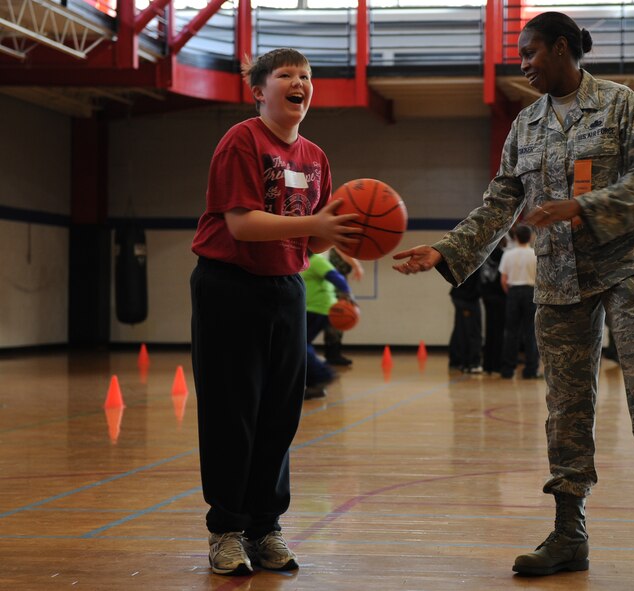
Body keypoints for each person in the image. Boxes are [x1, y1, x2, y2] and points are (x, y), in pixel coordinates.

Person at [393, 12, 634, 574]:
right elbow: (500, 202)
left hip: (628, 264)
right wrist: (448, 250)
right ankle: (569, 532)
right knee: (566, 402)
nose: (523, 64)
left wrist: (582, 207)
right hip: (561, 275)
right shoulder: (526, 125)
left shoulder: (618, 104)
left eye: (530, 52)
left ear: (562, 48)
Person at [189, 48, 360, 576]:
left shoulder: (316, 158)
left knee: (280, 417)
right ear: (258, 91)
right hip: (229, 286)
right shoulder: (242, 140)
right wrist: (315, 231)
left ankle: (266, 526)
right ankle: (226, 530)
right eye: (285, 75)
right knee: (231, 412)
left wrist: (340, 246)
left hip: (285, 288)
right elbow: (242, 224)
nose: (299, 82)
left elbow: (307, 244)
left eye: (306, 76)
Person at [302, 252, 355, 398]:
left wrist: (347, 294)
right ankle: (315, 381)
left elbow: (336, 276)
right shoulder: (304, 262)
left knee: (299, 344)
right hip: (312, 308)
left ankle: (322, 376)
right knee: (301, 345)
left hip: (319, 309)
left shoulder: (316, 260)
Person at [499, 224, 539, 379]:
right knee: (530, 332)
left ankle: (508, 369)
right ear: (531, 237)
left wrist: (512, 293)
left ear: (515, 237)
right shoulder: (535, 254)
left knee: (511, 332)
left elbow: (503, 280)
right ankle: (531, 370)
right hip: (531, 292)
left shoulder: (508, 254)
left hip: (514, 292)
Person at [322, 248, 363, 366]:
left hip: (338, 288)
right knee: (333, 323)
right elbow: (338, 248)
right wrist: (357, 266)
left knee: (337, 323)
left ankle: (334, 353)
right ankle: (331, 354)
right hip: (329, 290)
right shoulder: (332, 249)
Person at [480, 238, 508, 375]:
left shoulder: (484, 255)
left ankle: (487, 365)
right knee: (499, 331)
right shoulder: (503, 255)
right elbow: (504, 277)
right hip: (500, 296)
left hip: (486, 296)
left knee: (489, 330)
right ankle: (497, 365)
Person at [448, 268, 483, 374]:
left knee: (461, 329)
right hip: (467, 298)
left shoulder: (467, 259)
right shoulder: (476, 259)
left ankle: (458, 361)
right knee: (472, 331)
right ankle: (472, 363)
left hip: (461, 296)